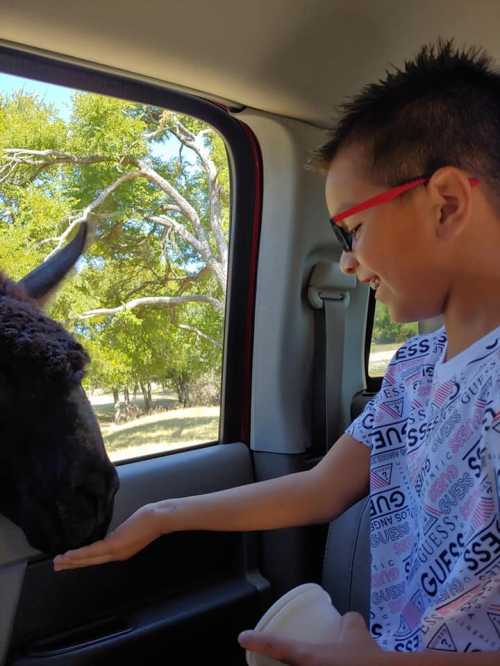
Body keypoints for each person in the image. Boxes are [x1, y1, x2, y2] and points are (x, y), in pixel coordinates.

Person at [54, 39, 500, 664]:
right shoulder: (415, 371)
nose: (347, 260)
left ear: (446, 203)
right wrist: (163, 514)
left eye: (353, 228)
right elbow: (320, 488)